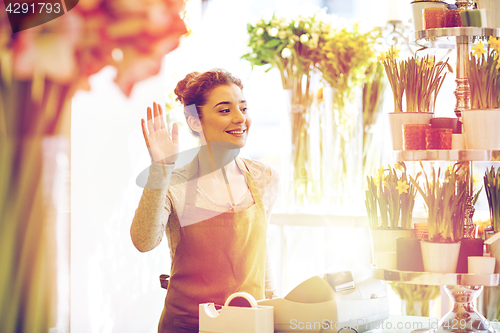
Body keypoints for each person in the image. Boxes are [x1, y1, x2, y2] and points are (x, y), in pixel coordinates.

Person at [130, 69, 280, 333]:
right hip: (187, 326)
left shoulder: (264, 177)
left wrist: (276, 318)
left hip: (249, 326)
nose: (240, 118)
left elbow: (261, 257)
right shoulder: (173, 182)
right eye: (225, 110)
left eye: (243, 108)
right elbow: (144, 241)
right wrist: (160, 169)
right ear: (195, 122)